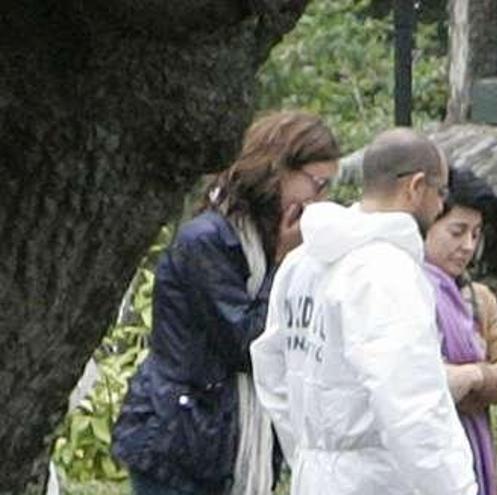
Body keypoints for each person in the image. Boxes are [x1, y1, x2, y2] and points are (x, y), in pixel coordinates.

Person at [111, 110, 341, 495]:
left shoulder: (269, 240)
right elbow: (249, 341)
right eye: (316, 185)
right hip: (180, 440)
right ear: (278, 170)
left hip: (228, 439)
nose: (320, 200)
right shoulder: (208, 241)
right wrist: (284, 264)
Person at [251, 128, 478, 495]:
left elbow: (271, 370)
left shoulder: (301, 263)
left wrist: (308, 451)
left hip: (314, 476)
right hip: (375, 478)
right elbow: (412, 405)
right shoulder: (387, 272)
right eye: (442, 194)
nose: (440, 207)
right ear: (416, 187)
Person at [424, 168, 497, 495]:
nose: (468, 246)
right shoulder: (400, 292)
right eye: (457, 232)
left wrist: (472, 377)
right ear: (427, 224)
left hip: (471, 460)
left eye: (476, 233)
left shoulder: (477, 300)